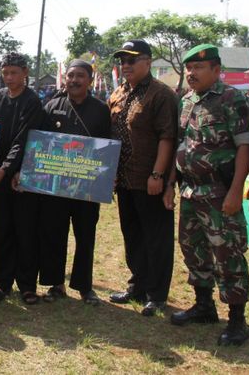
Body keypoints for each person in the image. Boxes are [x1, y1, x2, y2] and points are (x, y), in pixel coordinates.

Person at [164, 44, 249, 345]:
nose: (191, 72)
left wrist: (235, 191)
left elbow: (245, 146)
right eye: (189, 68)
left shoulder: (232, 99)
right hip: (190, 190)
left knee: (228, 255)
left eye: (199, 67)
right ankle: (204, 306)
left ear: (217, 70)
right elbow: (181, 144)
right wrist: (170, 185)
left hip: (219, 192)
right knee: (194, 250)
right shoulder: (186, 101)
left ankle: (237, 320)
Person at [22, 59, 110, 306]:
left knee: (85, 236)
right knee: (53, 234)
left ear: (89, 81)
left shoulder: (101, 110)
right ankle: (55, 283)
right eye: (70, 76)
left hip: (87, 186)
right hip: (55, 185)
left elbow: (107, 149)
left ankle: (84, 287)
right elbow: (38, 143)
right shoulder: (51, 107)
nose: (74, 80)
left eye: (80, 76)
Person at [108, 39, 178, 316]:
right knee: (132, 235)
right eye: (123, 61)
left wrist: (158, 174)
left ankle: (157, 294)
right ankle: (137, 285)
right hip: (124, 179)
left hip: (150, 179)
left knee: (156, 237)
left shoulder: (161, 94)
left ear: (148, 62)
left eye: (132, 60)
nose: (126, 66)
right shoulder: (118, 93)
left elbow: (168, 137)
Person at [0, 53, 43, 304]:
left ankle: (28, 285)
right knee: (0, 229)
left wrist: (8, 169)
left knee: (26, 230)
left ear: (25, 73)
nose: (9, 77)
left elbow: (25, 139)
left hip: (21, 176)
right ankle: (0, 283)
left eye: (14, 72)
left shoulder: (33, 101)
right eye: (5, 72)